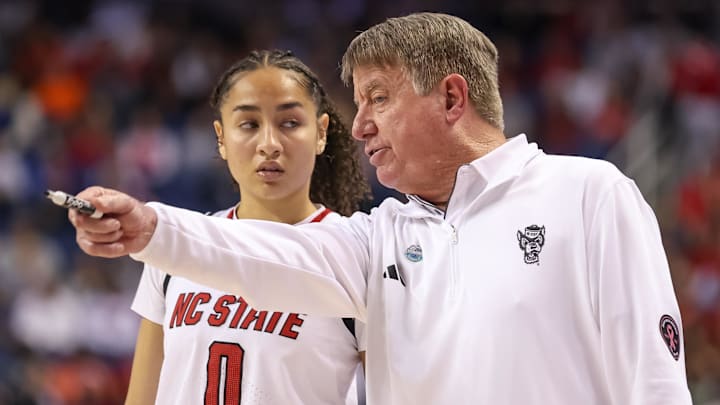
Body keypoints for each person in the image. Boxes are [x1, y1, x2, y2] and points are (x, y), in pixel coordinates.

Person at [69, 13, 693, 404]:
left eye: (377, 98)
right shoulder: (380, 236)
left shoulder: (587, 193)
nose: (359, 124)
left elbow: (655, 384)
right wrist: (151, 225)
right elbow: (261, 250)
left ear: (451, 98)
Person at [123, 50, 370, 404]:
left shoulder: (355, 257)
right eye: (249, 125)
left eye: (289, 123)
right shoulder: (175, 247)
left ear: (321, 132)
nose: (269, 144)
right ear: (221, 138)